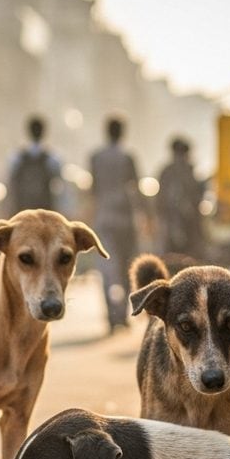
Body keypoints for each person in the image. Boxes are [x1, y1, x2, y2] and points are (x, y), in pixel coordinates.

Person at [90, 115, 141, 333]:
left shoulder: (95, 158)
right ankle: (122, 314)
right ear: (122, 133)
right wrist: (146, 216)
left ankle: (111, 314)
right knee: (126, 268)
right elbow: (136, 188)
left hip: (103, 218)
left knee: (106, 268)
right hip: (125, 219)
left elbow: (93, 190)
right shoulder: (128, 157)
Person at [157, 136, 206, 259]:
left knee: (185, 255)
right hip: (175, 221)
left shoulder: (180, 171)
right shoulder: (171, 172)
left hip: (186, 222)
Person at [6, 115, 62, 213]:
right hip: (45, 211)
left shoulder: (17, 158)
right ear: (44, 132)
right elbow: (59, 186)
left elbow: (11, 183)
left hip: (23, 209)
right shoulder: (52, 158)